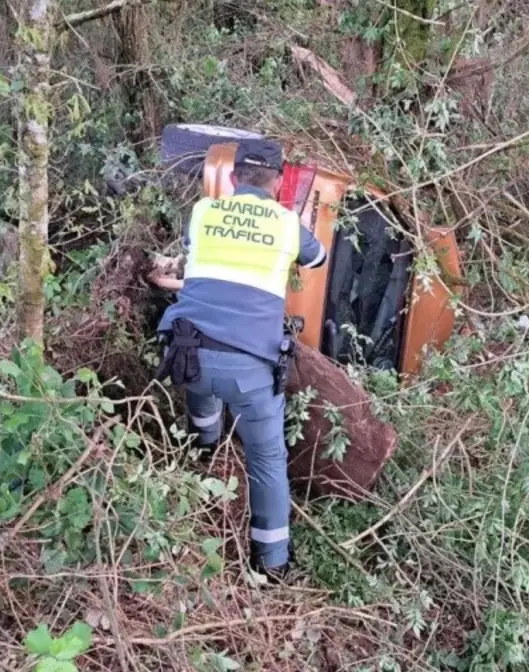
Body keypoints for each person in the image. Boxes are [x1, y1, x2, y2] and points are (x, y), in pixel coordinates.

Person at [155, 138, 326, 580]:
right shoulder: (287, 224)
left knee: (199, 381)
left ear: (232, 177)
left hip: (188, 358)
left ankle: (205, 450)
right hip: (250, 370)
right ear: (279, 180)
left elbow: (194, 255)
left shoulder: (203, 212)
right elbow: (319, 257)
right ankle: (273, 563)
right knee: (267, 460)